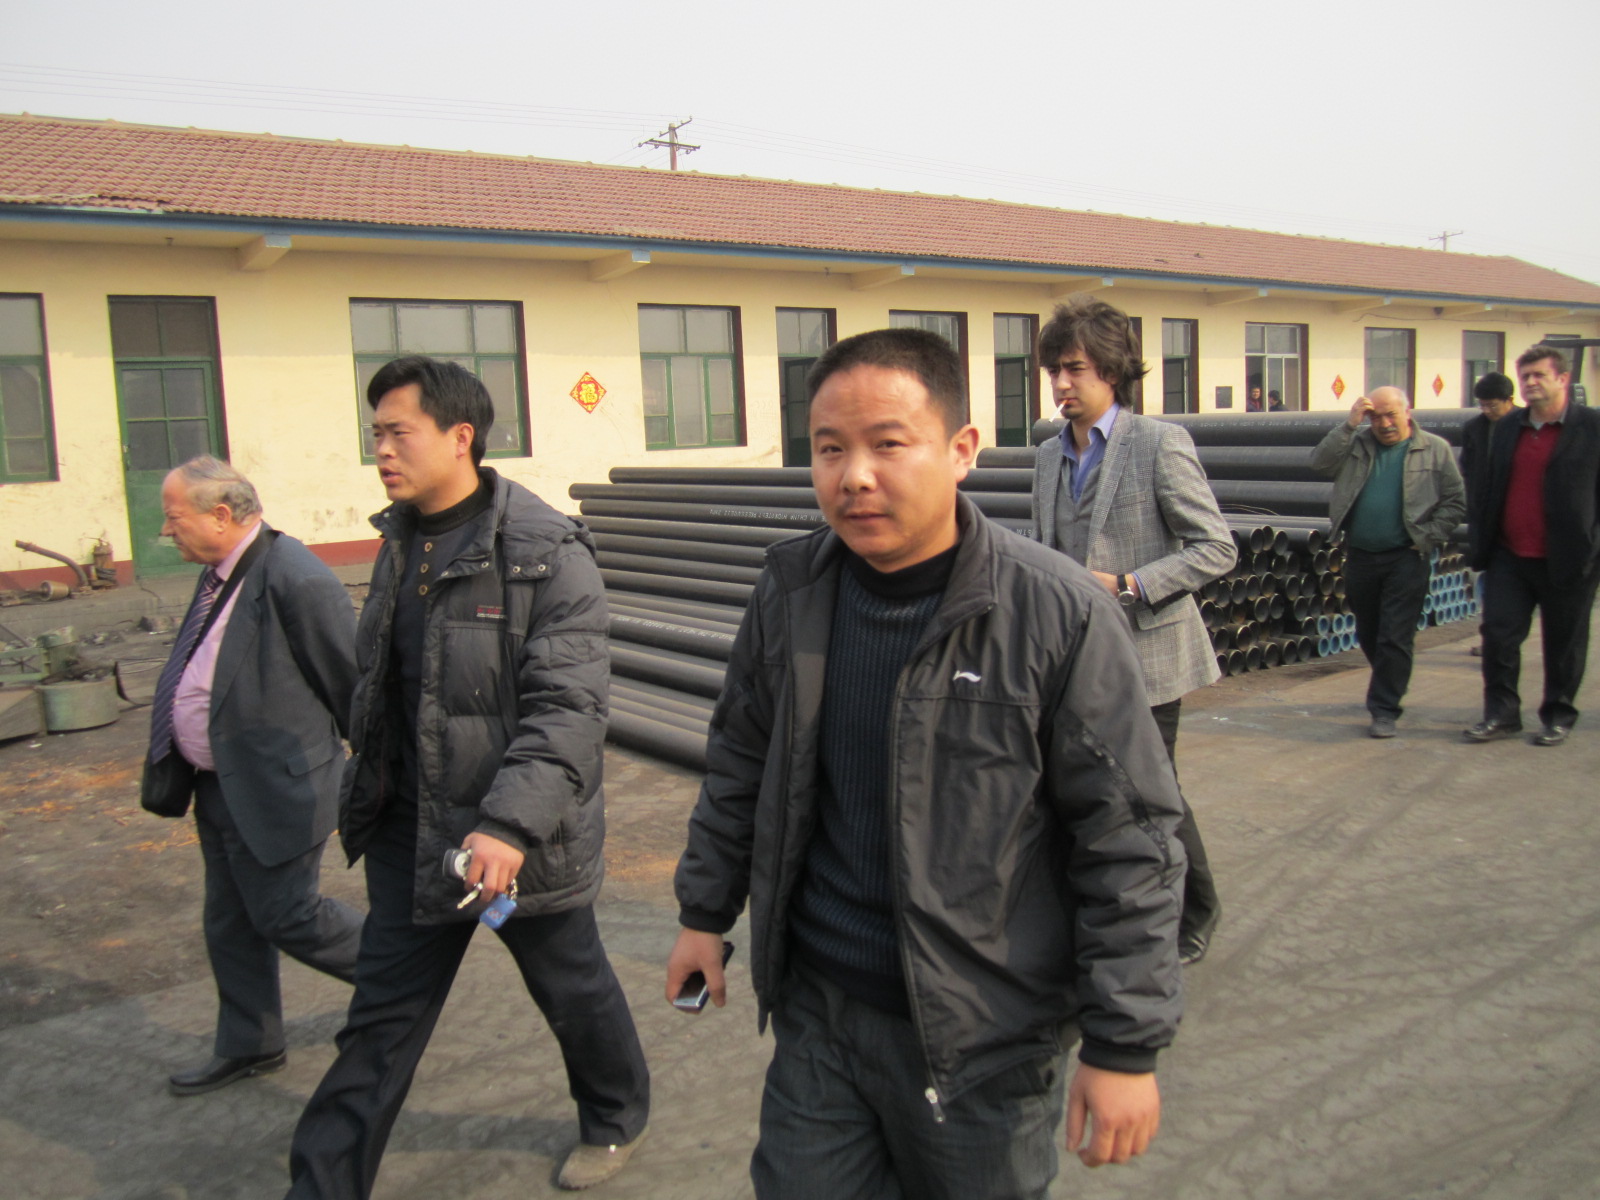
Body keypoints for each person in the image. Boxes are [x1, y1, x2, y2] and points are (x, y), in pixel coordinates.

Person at [667, 328, 1186, 1200]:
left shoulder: (1053, 613)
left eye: (887, 444)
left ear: (961, 450)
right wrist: (702, 913)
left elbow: (1129, 840)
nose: (854, 476)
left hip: (983, 1039)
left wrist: (1124, 1045)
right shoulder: (793, 589)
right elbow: (740, 763)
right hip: (820, 1012)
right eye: (829, 449)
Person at [286, 357, 649, 1197]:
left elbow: (569, 708)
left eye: (397, 432)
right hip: (412, 833)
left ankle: (615, 1114)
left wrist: (509, 825)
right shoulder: (400, 540)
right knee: (380, 1022)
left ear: (460, 437)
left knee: (571, 988)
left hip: (516, 841)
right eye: (375, 433)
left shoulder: (544, 553)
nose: (381, 450)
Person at [140, 456, 363, 1096]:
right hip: (220, 784)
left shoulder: (297, 577)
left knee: (289, 914)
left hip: (280, 787)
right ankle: (251, 1044)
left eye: (174, 517)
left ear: (220, 515)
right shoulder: (219, 573)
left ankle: (402, 975)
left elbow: (352, 688)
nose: (166, 530)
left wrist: (379, 779)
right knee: (230, 920)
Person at [1031, 295, 1235, 965]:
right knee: (1087, 790)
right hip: (1076, 658)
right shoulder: (1048, 455)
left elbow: (1215, 548)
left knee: (1152, 791)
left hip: (1150, 654)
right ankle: (1103, 908)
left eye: (1074, 369)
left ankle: (1194, 911)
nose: (1061, 384)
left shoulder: (1157, 444)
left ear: (1111, 372)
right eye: (1054, 371)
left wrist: (1128, 584)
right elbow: (1045, 546)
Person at [1465, 344, 1600, 746]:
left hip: (1569, 558)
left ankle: (1558, 715)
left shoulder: (1591, 428)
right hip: (1510, 555)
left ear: (1563, 378)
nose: (1530, 382)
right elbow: (1489, 485)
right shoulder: (1509, 426)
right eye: (1525, 376)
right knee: (1498, 637)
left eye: (1539, 374)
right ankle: (1501, 714)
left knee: (1564, 643)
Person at [1310, 387, 1465, 738]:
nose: (1384, 424)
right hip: (1362, 554)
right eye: (1376, 417)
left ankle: (1384, 709)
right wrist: (1349, 425)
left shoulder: (1434, 449)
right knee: (1369, 630)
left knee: (1395, 635)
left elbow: (1455, 500)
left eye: (1391, 415)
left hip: (1406, 556)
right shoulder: (1357, 445)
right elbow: (1320, 463)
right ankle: (1390, 680)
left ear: (1407, 412)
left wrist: (1427, 536)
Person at [1460, 373, 1518, 657]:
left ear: (1510, 401)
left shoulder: (1525, 426)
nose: (1486, 410)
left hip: (1516, 520)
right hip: (1485, 520)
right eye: (1482, 405)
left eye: (1492, 405)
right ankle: (1492, 641)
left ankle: (1507, 640)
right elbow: (1468, 467)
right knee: (1491, 584)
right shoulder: (1474, 428)